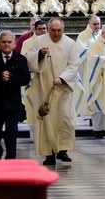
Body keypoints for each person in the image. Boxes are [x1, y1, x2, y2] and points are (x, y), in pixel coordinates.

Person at [24, 17, 80, 166]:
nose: (56, 34)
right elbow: (29, 59)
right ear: (48, 30)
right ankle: (48, 154)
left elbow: (74, 64)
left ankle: (63, 150)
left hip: (62, 89)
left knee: (64, 119)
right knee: (45, 120)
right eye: (52, 31)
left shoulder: (70, 43)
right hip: (43, 88)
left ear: (64, 29)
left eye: (59, 31)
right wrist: (40, 54)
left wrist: (62, 78)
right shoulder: (38, 41)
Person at [0, 31, 31, 160]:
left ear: (14, 44)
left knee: (12, 131)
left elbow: (25, 79)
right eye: (4, 42)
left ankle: (11, 157)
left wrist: (11, 77)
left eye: (9, 42)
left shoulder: (21, 59)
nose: (6, 44)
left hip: (13, 103)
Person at [74, 15, 101, 117]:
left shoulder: (103, 34)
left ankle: (99, 113)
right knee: (89, 89)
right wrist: (96, 56)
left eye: (98, 24)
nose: (97, 26)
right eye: (94, 24)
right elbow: (81, 50)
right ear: (89, 24)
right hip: (88, 68)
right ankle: (89, 113)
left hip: (101, 68)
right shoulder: (83, 35)